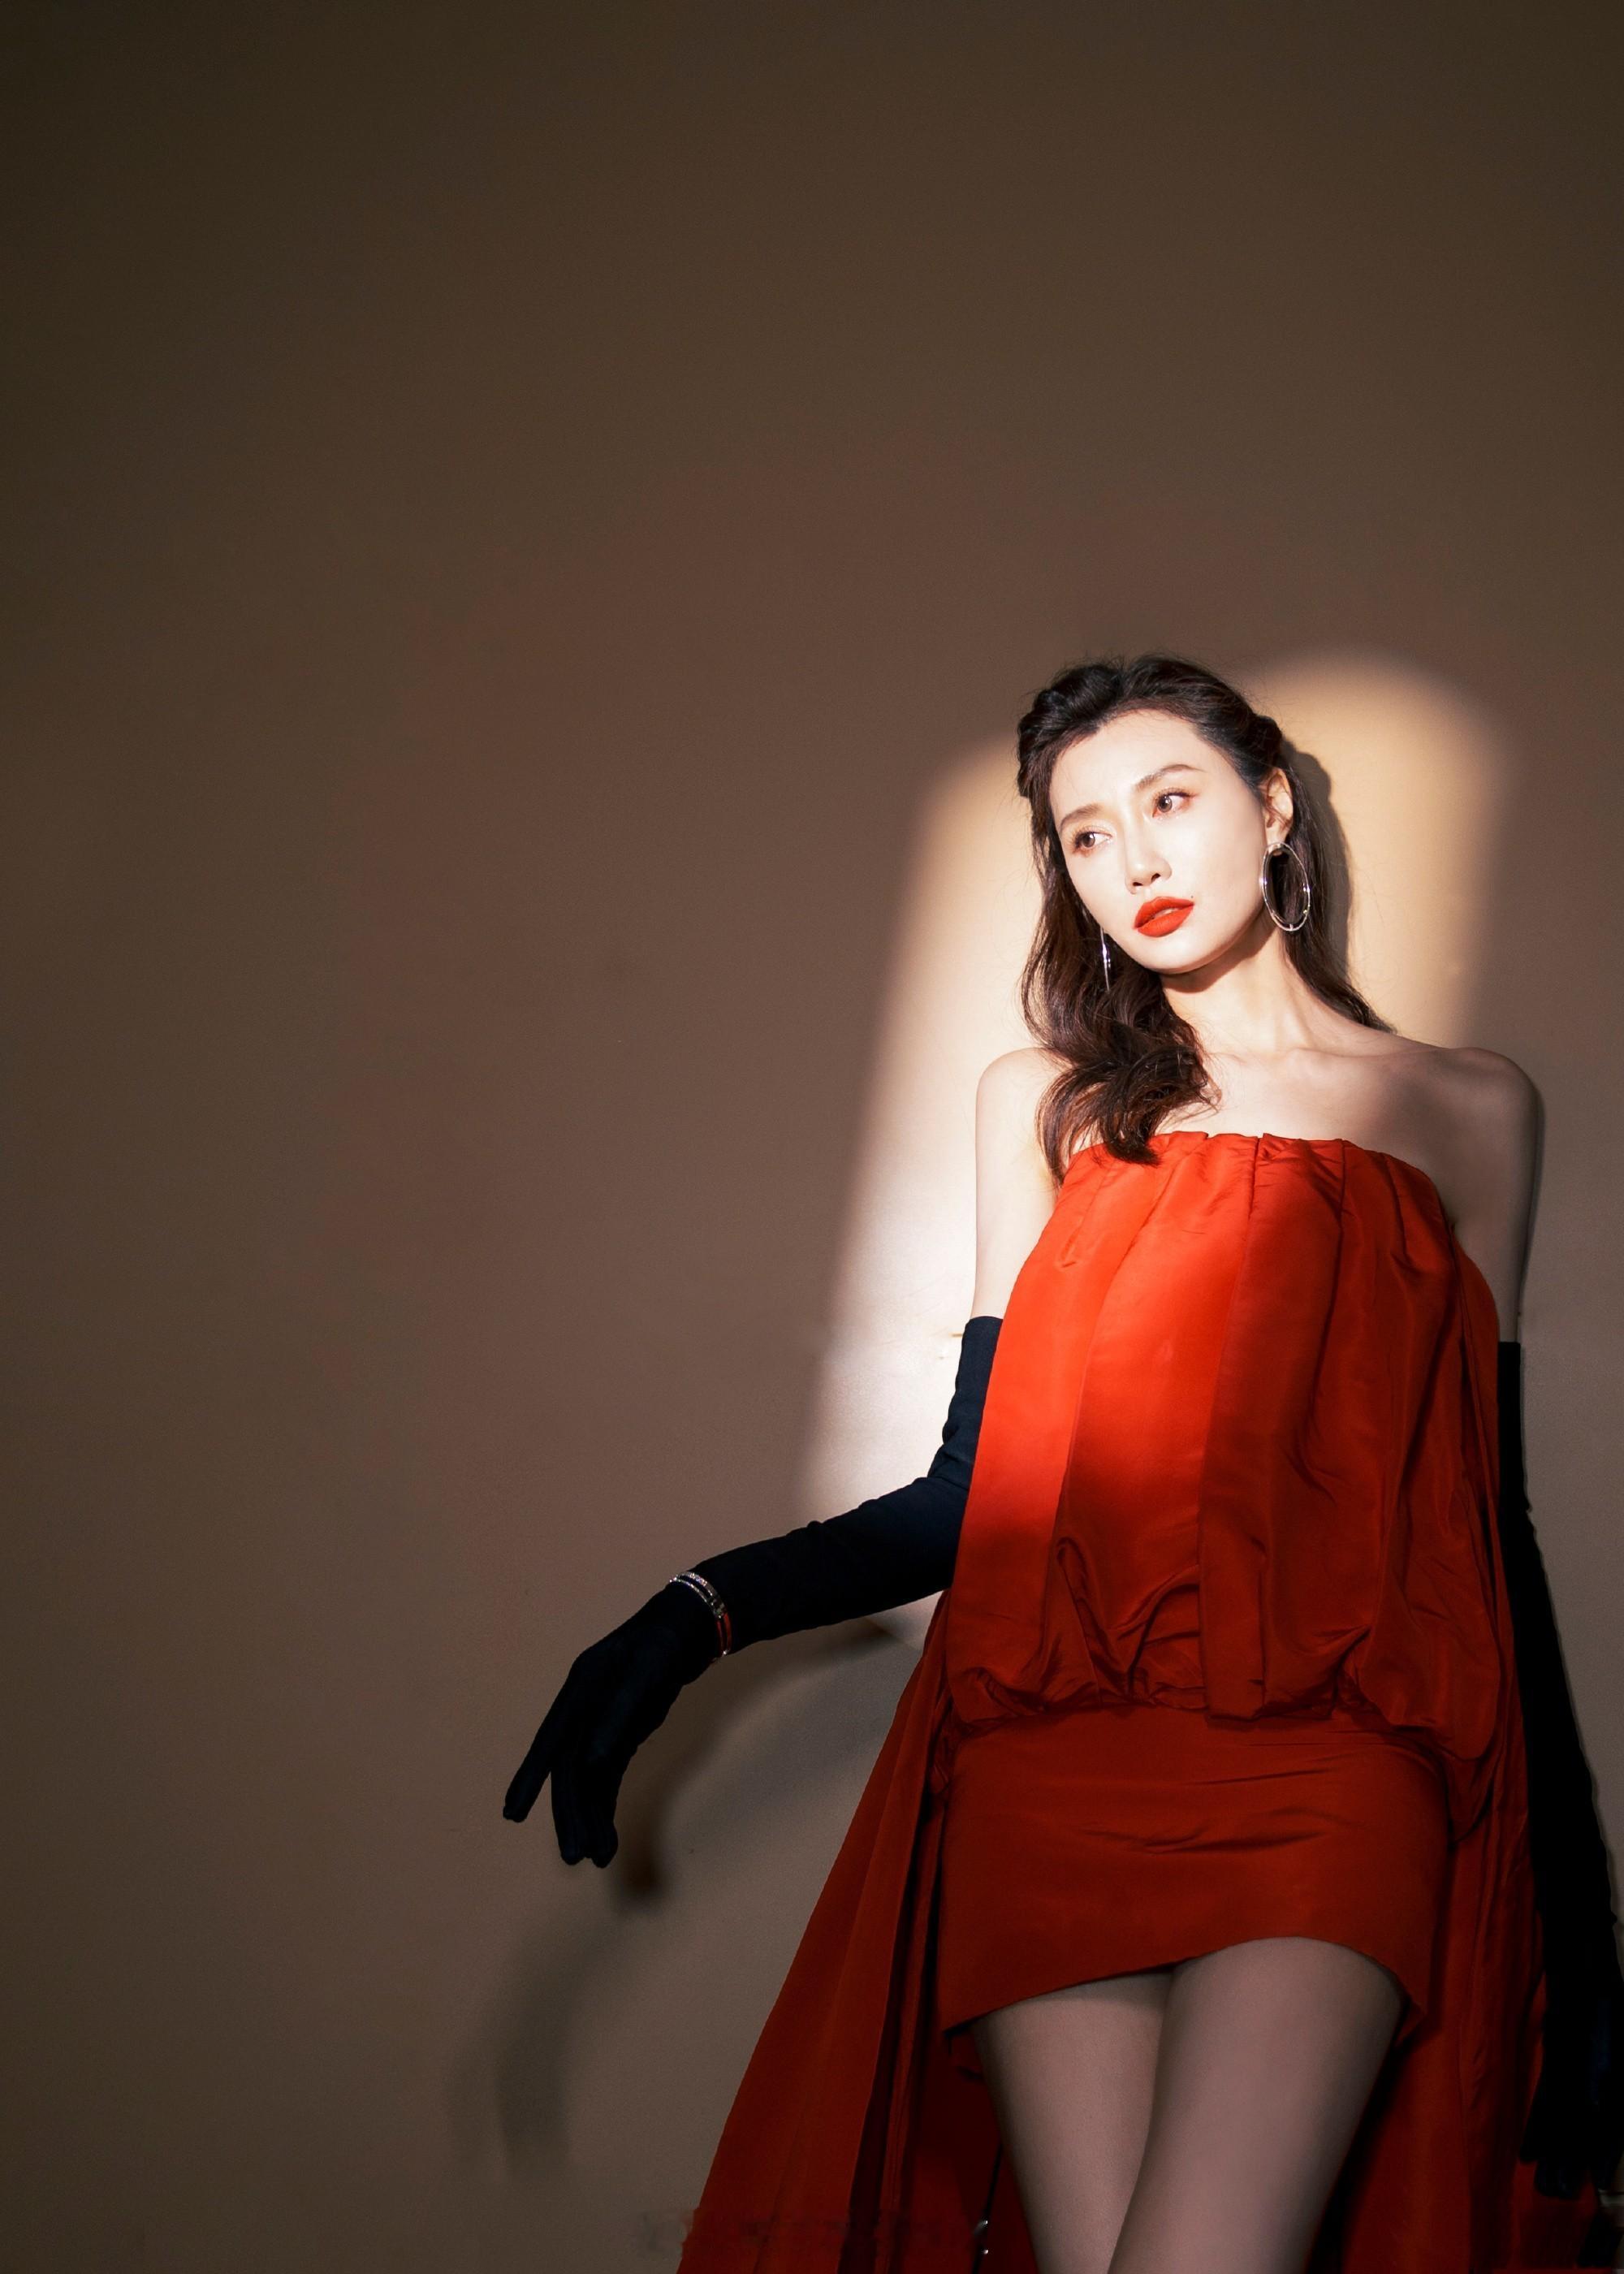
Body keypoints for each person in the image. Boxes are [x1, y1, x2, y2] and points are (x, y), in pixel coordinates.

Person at [503, 654, 1623, 2272]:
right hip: (1054, 1762)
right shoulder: (1047, 1108)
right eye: (1085, 834)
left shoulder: (1466, 1110)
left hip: (1334, 1766)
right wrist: (693, 1613)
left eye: (1168, 801)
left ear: (1272, 805)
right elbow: (972, 1491)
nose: (1134, 858)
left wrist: (1583, 1944)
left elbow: (1483, 1522)